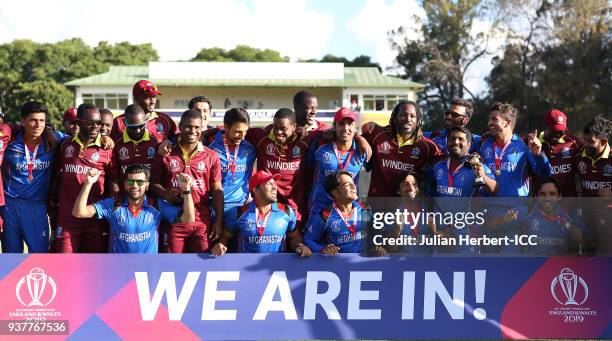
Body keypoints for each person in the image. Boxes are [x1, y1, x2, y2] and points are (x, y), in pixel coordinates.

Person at [478, 102, 551, 253]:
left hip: (514, 211)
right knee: (488, 261)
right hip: (490, 211)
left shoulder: (524, 145)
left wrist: (538, 155)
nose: (489, 123)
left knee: (510, 260)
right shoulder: (485, 146)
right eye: (489, 119)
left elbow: (544, 174)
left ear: (508, 122)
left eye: (494, 119)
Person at [72, 165, 194, 253]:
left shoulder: (156, 205)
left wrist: (187, 190)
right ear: (125, 185)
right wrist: (88, 183)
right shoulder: (113, 204)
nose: (135, 186)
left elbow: (188, 219)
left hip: (147, 272)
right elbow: (79, 212)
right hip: (118, 269)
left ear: (147, 185)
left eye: (140, 182)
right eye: (131, 181)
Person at [151, 109, 223, 253]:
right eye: (188, 127)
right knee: (172, 268)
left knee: (201, 266)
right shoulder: (166, 153)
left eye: (197, 127)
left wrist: (219, 221)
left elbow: (217, 190)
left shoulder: (211, 156)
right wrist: (164, 193)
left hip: (201, 221)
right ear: (180, 126)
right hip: (174, 221)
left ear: (202, 128)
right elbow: (152, 183)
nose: (192, 131)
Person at [53, 103, 113, 253]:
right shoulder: (65, 145)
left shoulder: (108, 149)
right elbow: (54, 176)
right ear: (79, 122)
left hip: (95, 218)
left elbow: (114, 182)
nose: (96, 126)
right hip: (67, 218)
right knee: (64, 266)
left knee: (95, 268)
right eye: (90, 123)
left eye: (98, 123)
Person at [428, 127, 497, 253]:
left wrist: (482, 175)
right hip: (441, 233)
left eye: (461, 139)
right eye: (452, 139)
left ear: (469, 144)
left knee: (466, 270)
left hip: (466, 234)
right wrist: (436, 229)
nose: (456, 142)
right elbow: (431, 197)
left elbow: (494, 188)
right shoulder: (438, 167)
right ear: (447, 142)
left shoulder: (476, 165)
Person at [211, 171, 312, 256]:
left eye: (274, 184)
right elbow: (224, 238)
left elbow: (294, 237)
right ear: (256, 190)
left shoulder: (286, 211)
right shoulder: (239, 212)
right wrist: (220, 245)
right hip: (245, 271)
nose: (274, 187)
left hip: (277, 270)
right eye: (269, 183)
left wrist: (300, 246)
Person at [1, 101, 57, 253]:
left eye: (42, 120)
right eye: (33, 120)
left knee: (39, 258)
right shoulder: (10, 141)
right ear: (23, 121)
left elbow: (77, 141)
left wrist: (107, 139)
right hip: (10, 206)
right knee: (11, 258)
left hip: (36, 207)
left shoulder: (53, 140)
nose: (38, 125)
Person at [361, 101, 443, 197]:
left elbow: (447, 160)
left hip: (407, 208)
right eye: (403, 115)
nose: (408, 119)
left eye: (412, 116)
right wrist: (360, 139)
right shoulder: (377, 134)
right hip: (377, 205)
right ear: (395, 117)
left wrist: (465, 160)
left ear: (418, 120)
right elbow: (348, 139)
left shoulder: (427, 146)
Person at [254, 108, 310, 228]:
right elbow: (236, 127)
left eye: (283, 128)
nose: (278, 132)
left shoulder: (304, 142)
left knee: (295, 244)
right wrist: (206, 133)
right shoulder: (261, 138)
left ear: (294, 127)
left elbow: (327, 131)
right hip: (267, 207)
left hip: (294, 209)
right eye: (275, 128)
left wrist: (359, 138)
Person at [307, 108, 367, 213]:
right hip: (320, 208)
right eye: (341, 124)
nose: (345, 128)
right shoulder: (319, 145)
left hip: (348, 210)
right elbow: (307, 166)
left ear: (355, 127)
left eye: (350, 124)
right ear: (334, 127)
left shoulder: (363, 150)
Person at [205, 108, 256, 217]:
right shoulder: (211, 147)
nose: (242, 137)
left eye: (245, 132)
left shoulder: (251, 148)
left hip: (241, 207)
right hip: (216, 206)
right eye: (237, 131)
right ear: (226, 127)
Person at [304, 171, 369, 255]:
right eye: (347, 185)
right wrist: (323, 249)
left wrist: (379, 245)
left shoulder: (364, 209)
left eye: (353, 183)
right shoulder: (324, 215)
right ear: (335, 193)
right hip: (337, 265)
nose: (353, 186)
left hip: (364, 263)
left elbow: (378, 232)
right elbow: (308, 239)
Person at [520, 178, 583, 255]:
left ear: (559, 196)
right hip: (532, 265)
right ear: (536, 196)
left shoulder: (569, 220)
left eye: (552, 194)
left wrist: (580, 238)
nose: (547, 198)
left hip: (558, 265)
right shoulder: (526, 216)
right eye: (543, 194)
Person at [108, 104, 159, 196]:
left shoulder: (157, 141)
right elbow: (113, 176)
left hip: (152, 198)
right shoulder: (116, 143)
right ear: (124, 122)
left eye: (141, 126)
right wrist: (116, 194)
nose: (138, 131)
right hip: (124, 198)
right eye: (133, 127)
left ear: (146, 121)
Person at [110, 80, 177, 142]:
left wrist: (169, 143)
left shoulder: (165, 119)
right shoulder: (119, 122)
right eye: (147, 97)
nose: (152, 101)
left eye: (154, 96)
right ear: (136, 99)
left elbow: (178, 140)